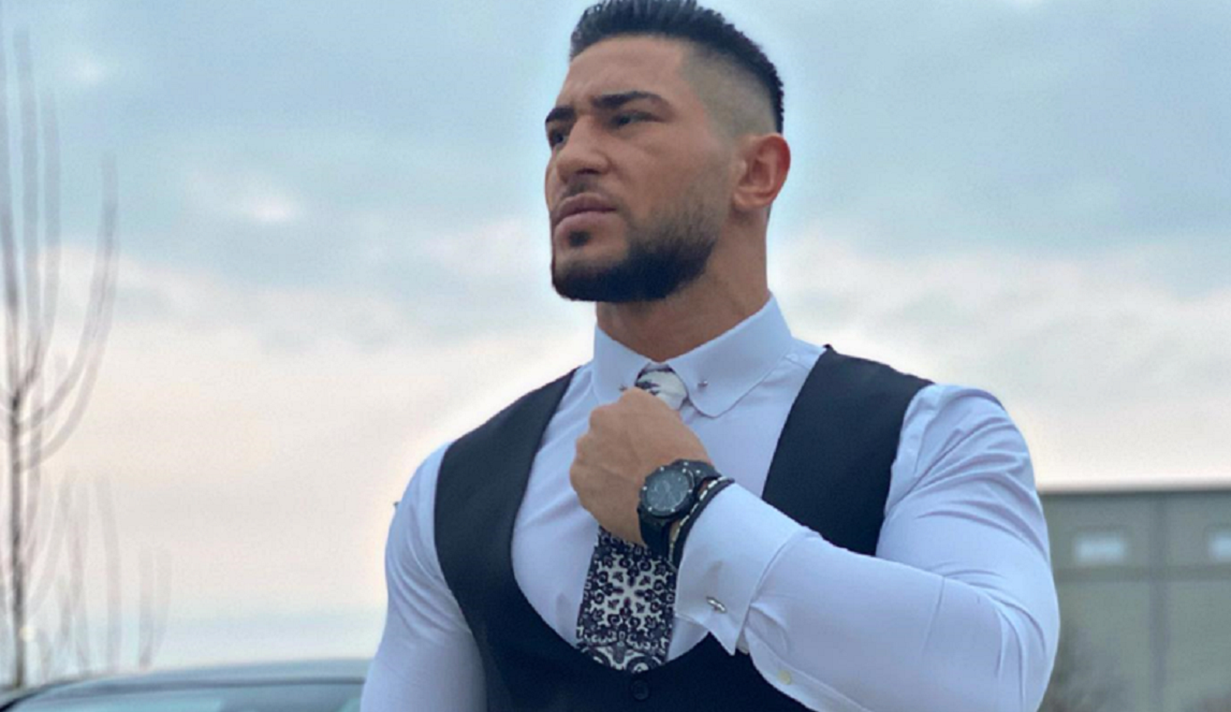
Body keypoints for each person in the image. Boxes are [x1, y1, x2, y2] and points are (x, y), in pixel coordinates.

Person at [361, 1, 1059, 710]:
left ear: (756, 171)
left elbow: (991, 687)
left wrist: (686, 509)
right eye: (559, 134)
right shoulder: (450, 489)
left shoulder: (932, 435)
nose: (572, 158)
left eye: (627, 119)